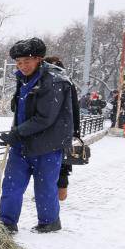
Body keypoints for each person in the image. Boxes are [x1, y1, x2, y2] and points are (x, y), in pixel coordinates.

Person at [0, 38, 74, 233]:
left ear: (39, 59)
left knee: (45, 188)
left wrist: (17, 133)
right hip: (23, 144)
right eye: (19, 62)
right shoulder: (23, 78)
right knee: (11, 185)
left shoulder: (54, 80)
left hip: (47, 146)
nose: (22, 66)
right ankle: (6, 223)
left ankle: (49, 222)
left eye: (27, 61)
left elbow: (45, 117)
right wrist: (17, 133)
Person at [43, 56, 80, 201]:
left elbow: (73, 108)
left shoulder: (60, 83)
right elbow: (75, 109)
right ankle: (59, 192)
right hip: (64, 130)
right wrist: (75, 130)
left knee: (55, 162)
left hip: (55, 130)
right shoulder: (67, 82)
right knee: (62, 162)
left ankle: (56, 193)